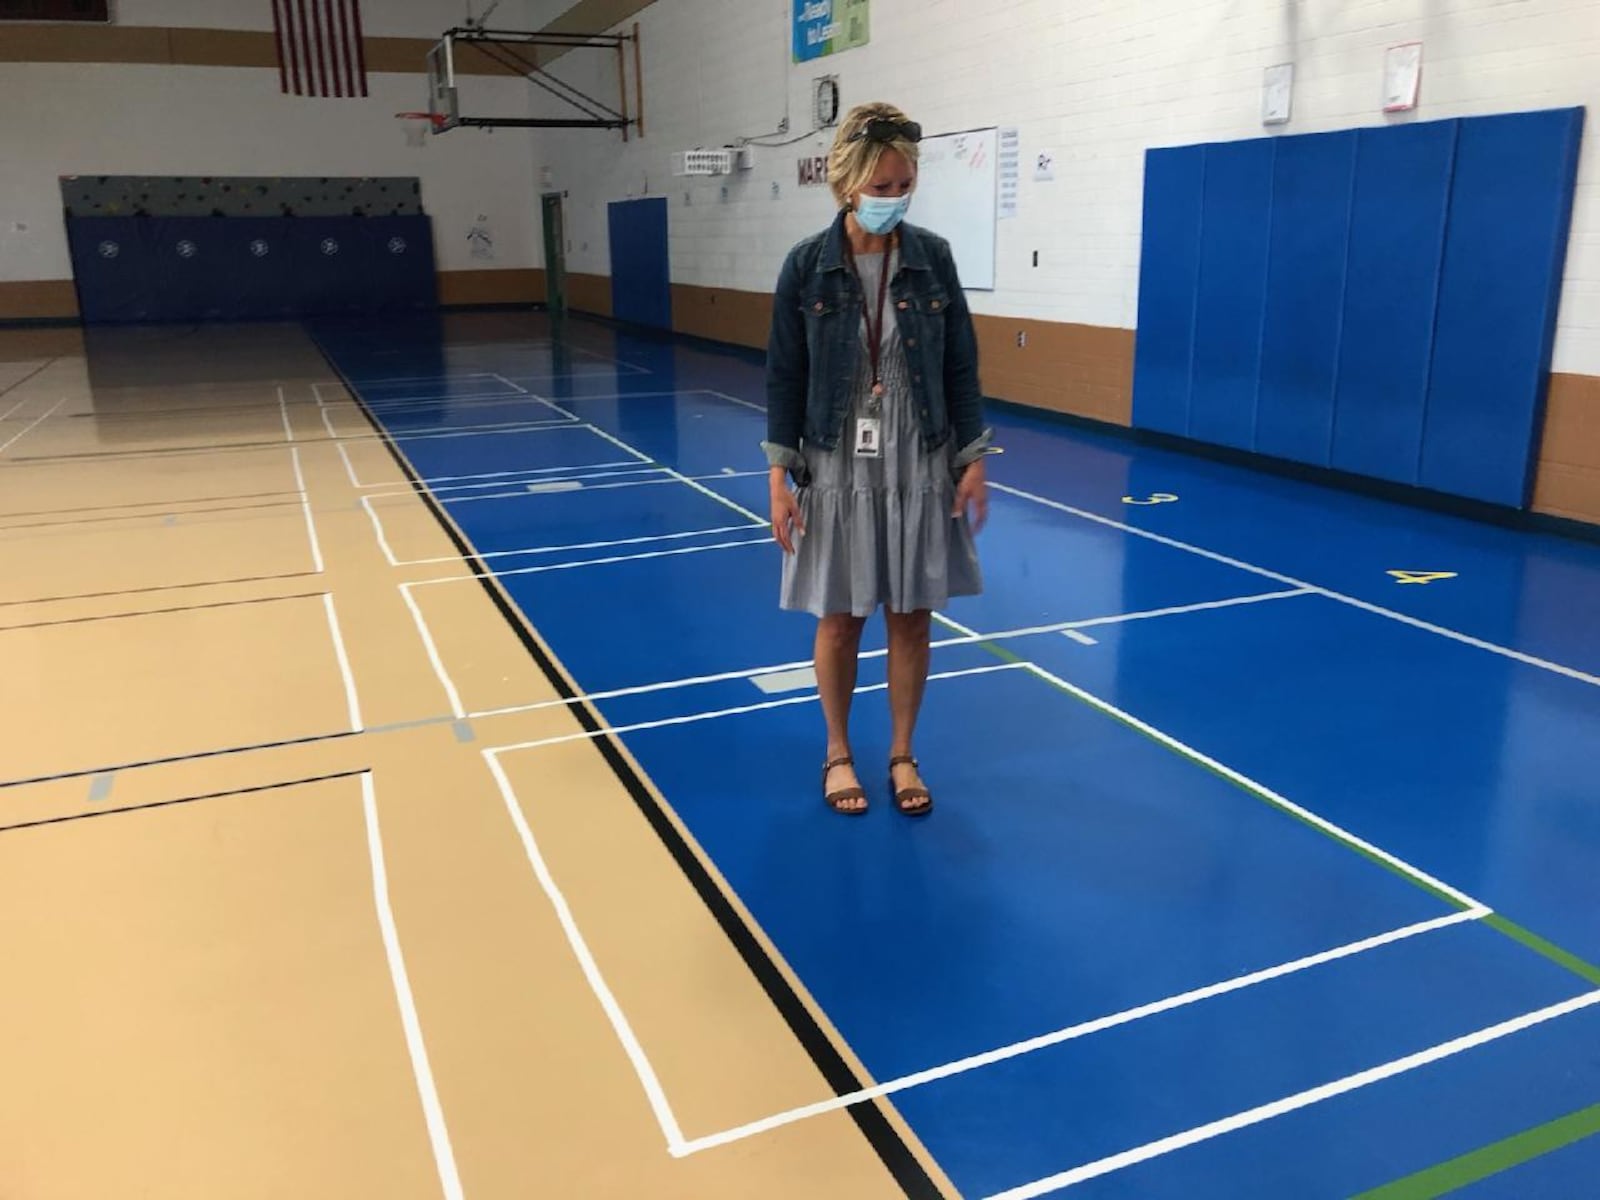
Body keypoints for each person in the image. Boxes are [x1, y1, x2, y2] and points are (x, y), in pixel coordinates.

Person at [763, 102, 991, 819]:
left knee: (911, 617)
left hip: (917, 453)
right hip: (836, 460)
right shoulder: (806, 266)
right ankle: (837, 750)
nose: (894, 199)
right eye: (882, 186)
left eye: (903, 186)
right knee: (839, 618)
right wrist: (779, 474)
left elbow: (960, 366)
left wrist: (972, 454)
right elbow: (784, 376)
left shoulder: (933, 258)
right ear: (847, 184)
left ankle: (901, 753)